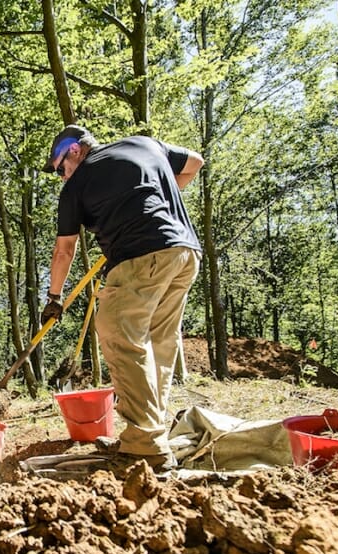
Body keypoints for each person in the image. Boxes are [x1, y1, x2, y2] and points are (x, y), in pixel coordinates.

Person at [42, 124, 204, 471]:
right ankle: (152, 435)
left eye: (59, 168)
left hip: (140, 255)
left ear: (73, 151)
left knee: (116, 330)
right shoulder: (144, 145)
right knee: (158, 343)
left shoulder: (78, 183)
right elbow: (194, 162)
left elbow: (64, 250)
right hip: (184, 254)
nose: (60, 177)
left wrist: (54, 297)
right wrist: (154, 203)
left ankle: (145, 444)